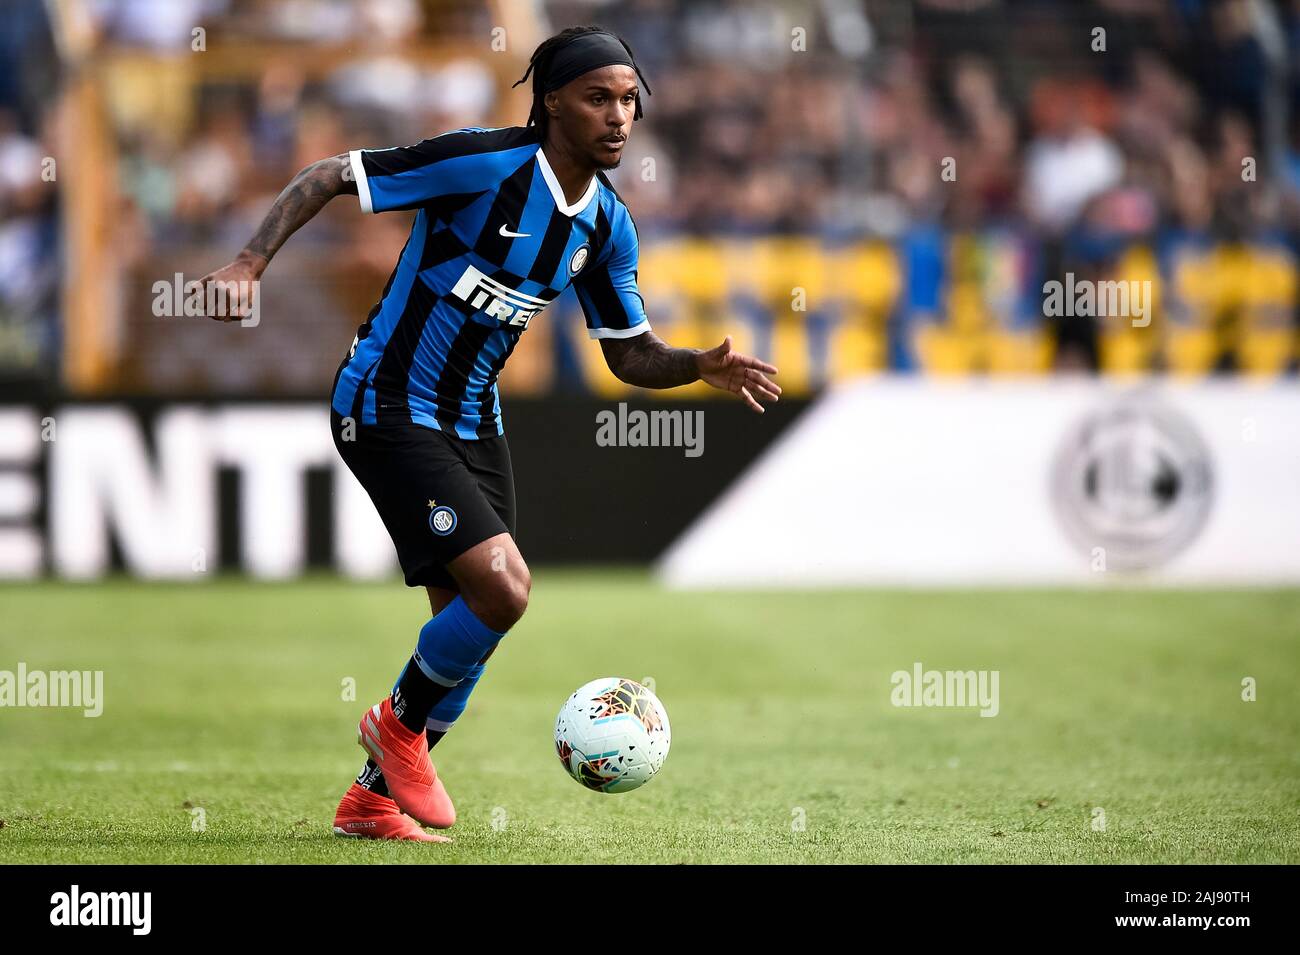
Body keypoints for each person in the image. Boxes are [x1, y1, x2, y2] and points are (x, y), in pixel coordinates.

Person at [201, 25, 781, 842]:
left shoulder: (607, 226)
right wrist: (250, 260)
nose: (618, 117)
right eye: (598, 98)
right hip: (387, 400)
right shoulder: (484, 164)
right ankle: (395, 730)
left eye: (628, 102)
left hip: (474, 418)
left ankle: (370, 801)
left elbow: (626, 354)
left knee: (469, 630)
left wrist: (694, 364)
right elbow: (331, 174)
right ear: (551, 103)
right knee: (504, 589)